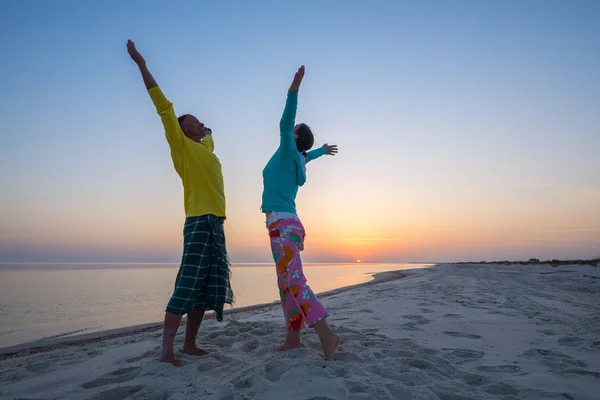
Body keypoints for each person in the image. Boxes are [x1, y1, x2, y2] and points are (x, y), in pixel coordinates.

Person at [126, 40, 233, 366]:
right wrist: (142, 65)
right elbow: (163, 108)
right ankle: (167, 351)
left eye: (202, 122)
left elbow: (209, 132)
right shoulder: (182, 147)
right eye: (195, 121)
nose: (201, 123)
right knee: (187, 284)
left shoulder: (207, 146)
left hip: (215, 222)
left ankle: (190, 344)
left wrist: (204, 129)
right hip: (199, 221)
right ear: (183, 128)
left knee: (204, 289)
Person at [261, 65, 340, 360]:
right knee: (286, 284)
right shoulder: (298, 159)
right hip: (285, 224)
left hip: (282, 224)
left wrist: (294, 88)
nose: (288, 133)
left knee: (294, 281)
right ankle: (293, 338)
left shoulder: (286, 151)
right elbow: (308, 155)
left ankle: (327, 336)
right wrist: (320, 150)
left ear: (293, 138)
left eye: (292, 133)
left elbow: (286, 121)